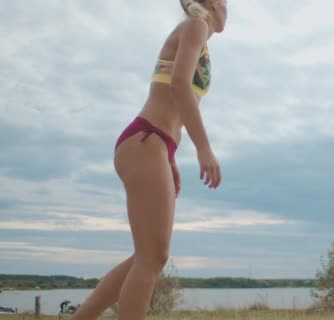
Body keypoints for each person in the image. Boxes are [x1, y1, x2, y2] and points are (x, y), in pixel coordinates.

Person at [71, 1, 227, 319]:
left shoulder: (197, 34)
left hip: (154, 144)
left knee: (147, 256)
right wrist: (203, 148)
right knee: (152, 257)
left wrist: (169, 158)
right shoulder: (196, 25)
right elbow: (180, 85)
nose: (229, 7)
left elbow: (166, 90)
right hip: (146, 139)